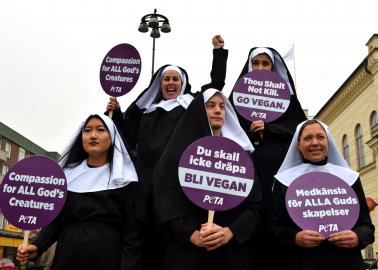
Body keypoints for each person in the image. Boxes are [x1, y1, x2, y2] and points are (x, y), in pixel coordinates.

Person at [106, 35, 228, 270]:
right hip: (145, 184)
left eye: (175, 79)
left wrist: (218, 52)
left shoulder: (190, 106)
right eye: (166, 79)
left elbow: (215, 86)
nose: (171, 83)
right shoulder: (146, 111)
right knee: (142, 238)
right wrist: (117, 112)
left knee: (171, 239)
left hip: (175, 184)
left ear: (182, 83)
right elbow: (125, 138)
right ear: (159, 84)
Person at [153, 89, 263, 270]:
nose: (218, 110)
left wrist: (230, 232)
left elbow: (255, 205)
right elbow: (164, 200)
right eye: (210, 106)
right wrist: (190, 234)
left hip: (230, 252)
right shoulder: (178, 154)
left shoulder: (242, 157)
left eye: (222, 106)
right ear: (198, 111)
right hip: (187, 253)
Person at [16, 114, 140, 270]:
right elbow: (56, 220)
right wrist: (37, 246)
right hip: (68, 253)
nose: (93, 135)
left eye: (100, 130)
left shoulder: (125, 179)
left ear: (112, 137)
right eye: (87, 130)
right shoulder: (66, 177)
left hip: (108, 256)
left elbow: (133, 233)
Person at [228, 47, 308, 269]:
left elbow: (300, 132)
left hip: (279, 174)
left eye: (266, 64)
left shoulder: (289, 101)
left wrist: (271, 128)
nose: (261, 68)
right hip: (246, 175)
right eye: (256, 63)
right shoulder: (236, 99)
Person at [270, 119, 375, 270]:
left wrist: (357, 237)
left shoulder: (349, 178)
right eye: (307, 138)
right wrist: (294, 238)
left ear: (328, 142)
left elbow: (366, 225)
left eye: (320, 137)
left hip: (345, 262)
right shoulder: (283, 181)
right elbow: (273, 227)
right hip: (301, 262)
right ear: (298, 145)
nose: (314, 143)